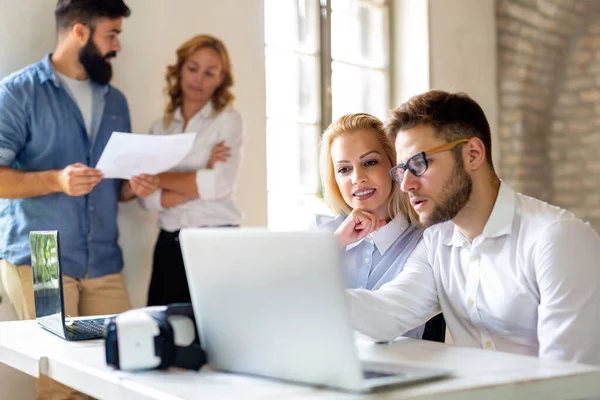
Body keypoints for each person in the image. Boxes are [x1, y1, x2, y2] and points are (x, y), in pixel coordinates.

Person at [345, 90, 600, 366]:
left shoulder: (556, 239)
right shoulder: (436, 242)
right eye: (401, 170)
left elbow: (569, 380)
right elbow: (388, 313)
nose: (406, 184)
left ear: (474, 154)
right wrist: (310, 287)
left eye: (419, 163)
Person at [0, 1, 158, 397]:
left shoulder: (116, 101)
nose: (117, 46)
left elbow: (111, 187)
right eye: (112, 34)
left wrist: (131, 189)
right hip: (41, 259)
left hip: (104, 260)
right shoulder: (18, 93)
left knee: (125, 378)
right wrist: (57, 179)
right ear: (80, 32)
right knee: (61, 389)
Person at [140, 34, 243, 306]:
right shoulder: (159, 128)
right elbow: (147, 198)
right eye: (193, 68)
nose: (199, 79)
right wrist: (199, 176)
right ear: (180, 68)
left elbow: (219, 185)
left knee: (217, 337)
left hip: (217, 243)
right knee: (165, 335)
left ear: (222, 78)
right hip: (168, 246)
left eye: (210, 73)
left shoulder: (227, 120)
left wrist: (161, 179)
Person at [314, 113, 425, 339]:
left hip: (399, 367)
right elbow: (282, 298)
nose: (358, 177)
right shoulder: (320, 233)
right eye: (344, 169)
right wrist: (334, 244)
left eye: (370, 163)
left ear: (394, 165)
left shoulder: (424, 242)